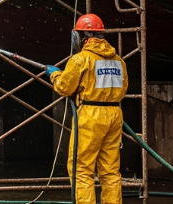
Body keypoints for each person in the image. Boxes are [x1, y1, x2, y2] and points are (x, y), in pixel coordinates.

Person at [47, 14, 127, 204]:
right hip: (115, 115)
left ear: (81, 36)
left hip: (90, 116)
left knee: (81, 169)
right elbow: (122, 89)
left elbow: (64, 88)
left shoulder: (80, 59)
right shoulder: (118, 61)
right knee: (110, 170)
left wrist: (55, 75)